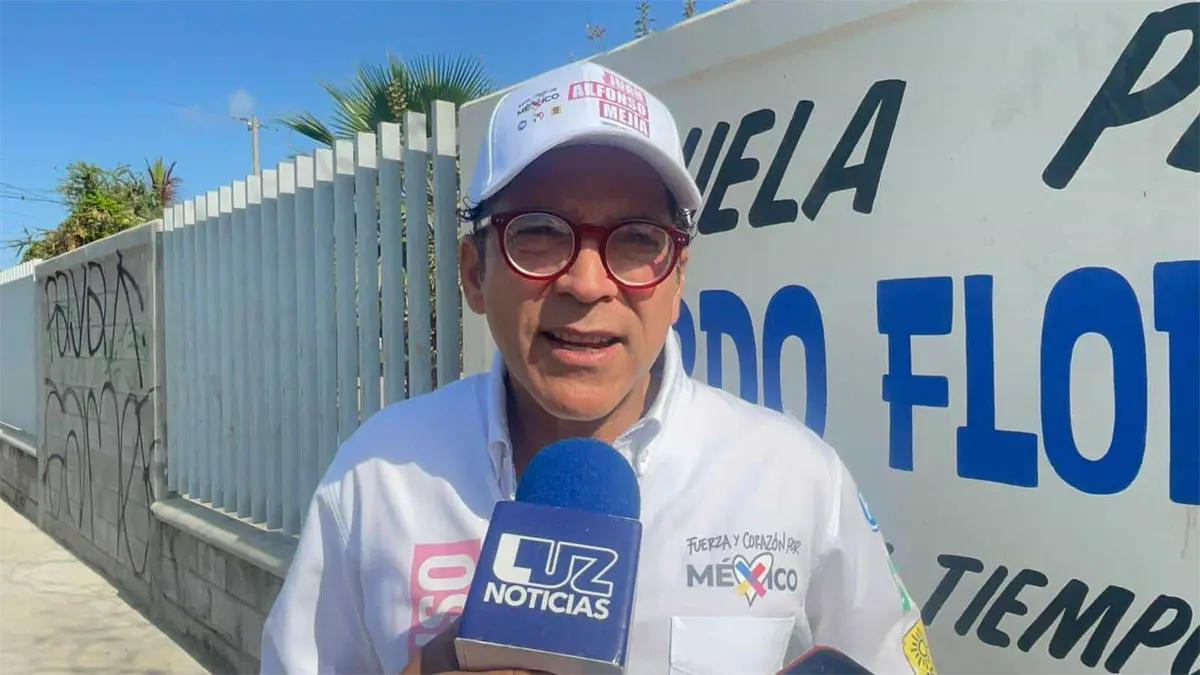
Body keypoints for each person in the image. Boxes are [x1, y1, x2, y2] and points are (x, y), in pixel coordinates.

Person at [259, 61, 938, 675]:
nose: (587, 283)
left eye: (638, 239)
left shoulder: (795, 477)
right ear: (473, 273)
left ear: (677, 280)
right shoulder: (375, 478)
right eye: (539, 232)